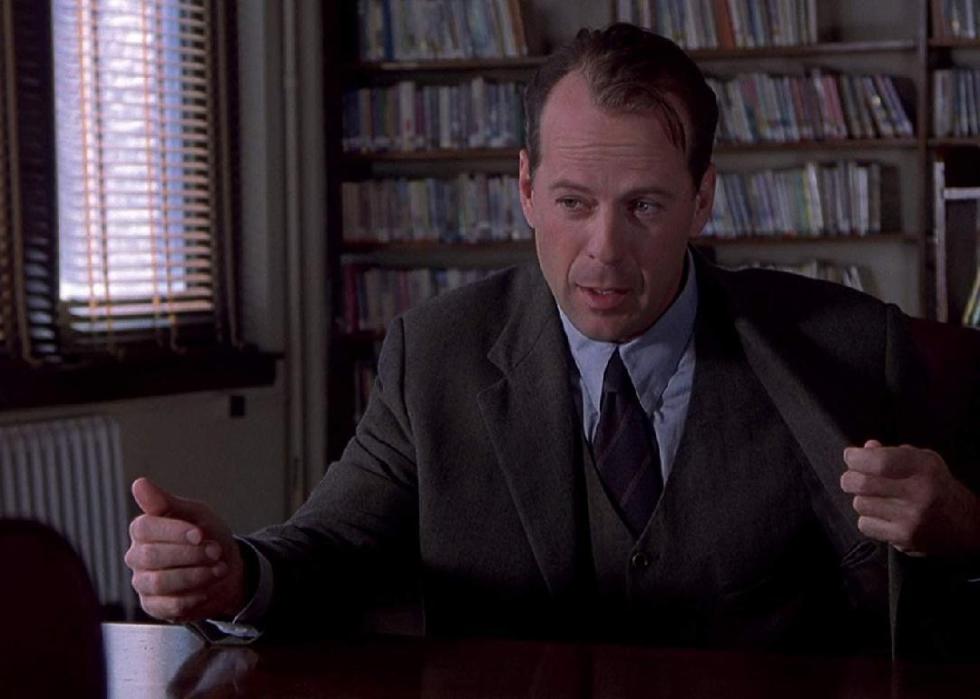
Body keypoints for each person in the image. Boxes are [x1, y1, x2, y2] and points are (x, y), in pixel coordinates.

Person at [126, 24, 980, 657]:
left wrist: (964, 529)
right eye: (574, 202)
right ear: (527, 190)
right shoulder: (436, 355)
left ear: (703, 199)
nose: (605, 249)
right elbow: (333, 549)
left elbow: (933, 611)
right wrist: (234, 572)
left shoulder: (849, 348)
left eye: (644, 205)